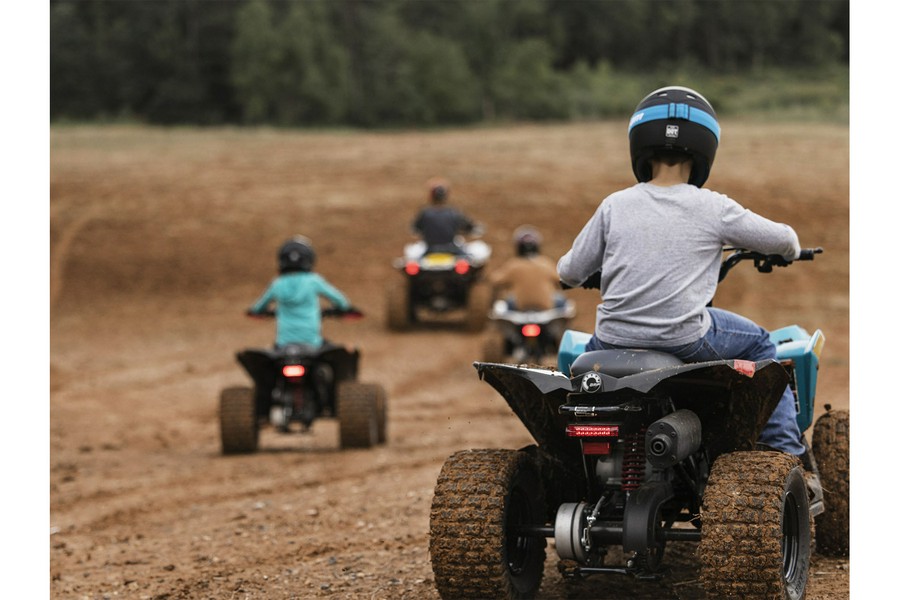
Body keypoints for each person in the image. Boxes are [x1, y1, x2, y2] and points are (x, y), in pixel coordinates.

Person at [556, 85, 820, 505]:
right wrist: (789, 252)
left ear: (639, 146)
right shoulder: (713, 207)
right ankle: (786, 456)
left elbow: (568, 270)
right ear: (703, 149)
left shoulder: (614, 206)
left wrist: (577, 279)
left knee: (578, 378)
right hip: (684, 338)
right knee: (762, 344)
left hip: (611, 342)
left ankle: (565, 468)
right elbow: (784, 238)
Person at [248, 235, 352, 348]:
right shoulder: (313, 280)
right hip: (313, 343)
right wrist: (342, 309)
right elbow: (340, 301)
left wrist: (261, 312)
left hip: (284, 345)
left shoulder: (278, 283)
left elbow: (258, 308)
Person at [406, 177, 491, 265]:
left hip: (429, 250)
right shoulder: (454, 212)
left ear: (431, 196)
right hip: (452, 250)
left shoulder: (424, 213)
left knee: (411, 252)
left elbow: (415, 229)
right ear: (446, 195)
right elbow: (470, 228)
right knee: (481, 249)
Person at [489, 225, 565, 311]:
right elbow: (561, 281)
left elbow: (495, 281)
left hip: (520, 309)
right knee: (562, 301)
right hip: (546, 309)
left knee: (506, 302)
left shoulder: (514, 265)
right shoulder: (545, 263)